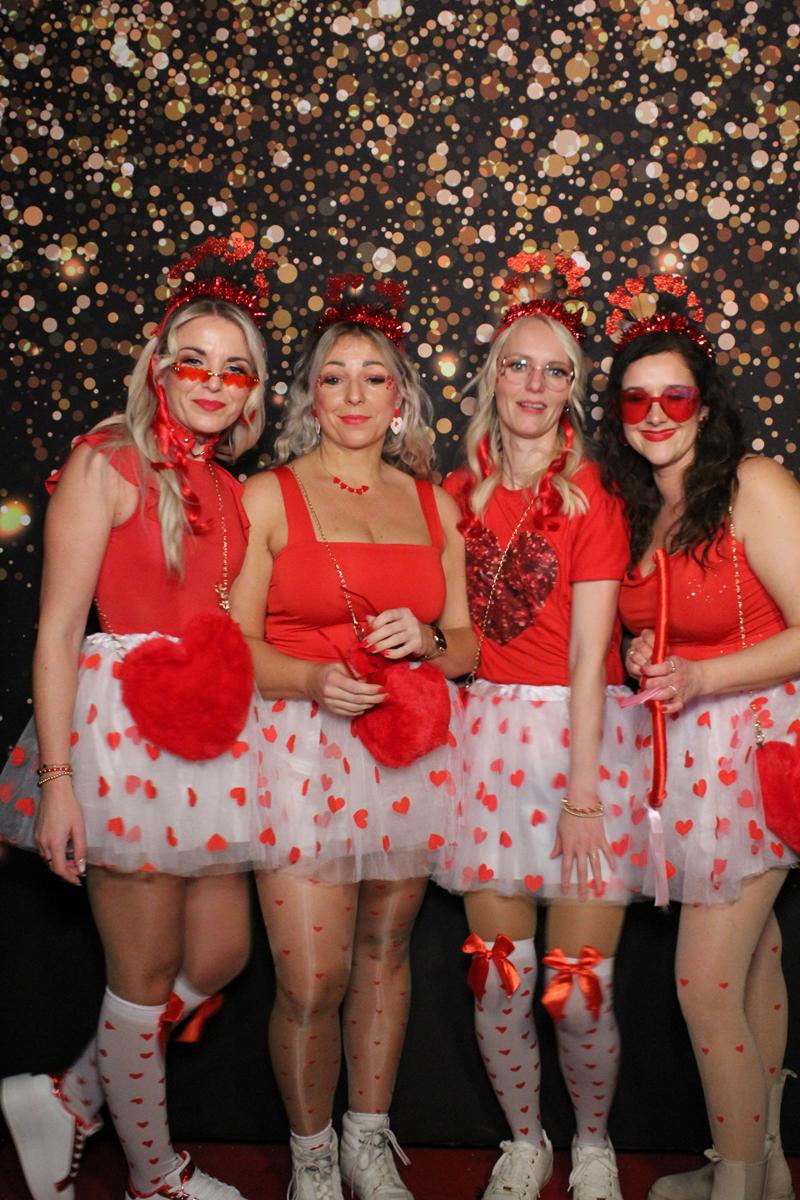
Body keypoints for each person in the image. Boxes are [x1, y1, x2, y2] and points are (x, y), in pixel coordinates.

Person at [0, 234, 273, 1200]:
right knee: (145, 973)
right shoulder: (106, 462)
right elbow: (56, 632)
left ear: (253, 392)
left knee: (222, 954)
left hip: (211, 734)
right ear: (158, 367)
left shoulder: (232, 490)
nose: (214, 383)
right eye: (194, 361)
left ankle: (67, 1097)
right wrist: (58, 785)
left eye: (235, 369)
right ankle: (155, 1177)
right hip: (121, 735)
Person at [230, 273, 475, 1200]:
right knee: (312, 979)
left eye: (375, 378)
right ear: (310, 396)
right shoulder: (266, 496)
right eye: (334, 377)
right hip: (298, 751)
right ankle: (313, 1159)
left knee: (384, 952)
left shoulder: (434, 505)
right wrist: (307, 679)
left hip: (406, 749)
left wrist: (431, 641)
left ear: (400, 396)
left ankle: (367, 1139)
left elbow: (468, 642)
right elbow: (231, 644)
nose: (355, 395)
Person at [436, 251, 645, 1200]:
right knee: (498, 977)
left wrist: (585, 794)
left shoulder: (596, 496)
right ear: (493, 376)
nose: (534, 385)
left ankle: (592, 1143)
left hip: (578, 745)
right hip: (481, 747)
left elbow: (590, 654)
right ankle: (526, 1141)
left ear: (572, 390)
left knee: (576, 980)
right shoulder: (453, 495)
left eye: (555, 371)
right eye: (518, 365)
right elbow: (454, 642)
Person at [597, 274, 798, 1200]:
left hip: (755, 752)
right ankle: (767, 1170)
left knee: (705, 986)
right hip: (684, 762)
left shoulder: (754, 485)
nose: (655, 414)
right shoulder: (642, 508)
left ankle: (735, 1185)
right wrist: (644, 651)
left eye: (674, 396)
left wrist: (706, 674)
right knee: (755, 965)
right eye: (636, 399)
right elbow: (665, 633)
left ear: (705, 406)